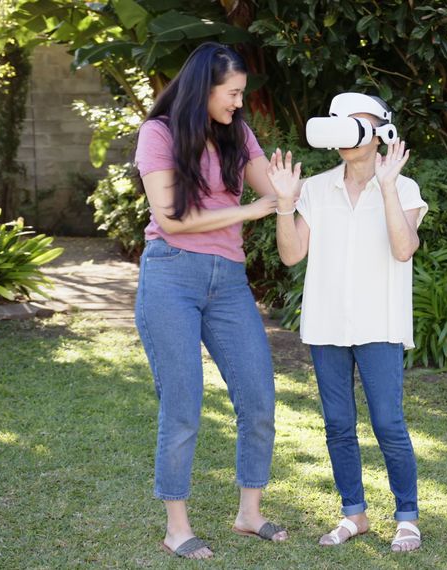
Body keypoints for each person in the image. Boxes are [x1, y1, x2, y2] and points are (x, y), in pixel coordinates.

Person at [133, 42, 288, 559]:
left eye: (243, 94)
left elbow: (278, 192)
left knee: (259, 397)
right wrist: (249, 212)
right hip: (172, 275)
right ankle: (177, 526)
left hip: (229, 282)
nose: (240, 104)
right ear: (205, 87)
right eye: (233, 93)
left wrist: (298, 191)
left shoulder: (237, 134)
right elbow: (172, 218)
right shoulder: (158, 133)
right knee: (183, 404)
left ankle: (249, 512)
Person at [268, 92, 427, 553]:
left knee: (387, 422)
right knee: (338, 424)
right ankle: (353, 513)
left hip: (380, 324)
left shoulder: (407, 188)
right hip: (327, 324)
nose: (344, 132)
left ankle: (407, 517)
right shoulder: (316, 189)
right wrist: (284, 202)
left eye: (354, 123)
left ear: (382, 132)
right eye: (337, 122)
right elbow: (292, 254)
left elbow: (403, 249)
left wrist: (388, 186)